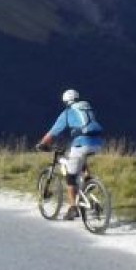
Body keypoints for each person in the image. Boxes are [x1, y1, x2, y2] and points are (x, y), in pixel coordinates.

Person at [36, 88, 105, 219]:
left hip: (81, 143)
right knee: (79, 158)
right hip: (98, 143)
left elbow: (53, 132)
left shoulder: (67, 113)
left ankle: (73, 208)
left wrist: (42, 144)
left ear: (66, 101)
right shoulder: (87, 108)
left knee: (70, 177)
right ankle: (87, 179)